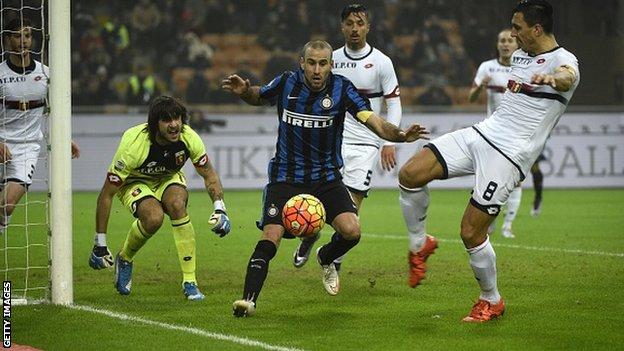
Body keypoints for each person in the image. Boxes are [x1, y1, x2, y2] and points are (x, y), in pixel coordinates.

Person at [398, 0, 579, 322]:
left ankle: (491, 299)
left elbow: (567, 77)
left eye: (518, 27)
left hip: (510, 155)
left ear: (537, 29)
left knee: (471, 232)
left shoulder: (563, 61)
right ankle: (420, 243)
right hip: (483, 133)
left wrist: (553, 79)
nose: (513, 33)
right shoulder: (522, 54)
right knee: (411, 173)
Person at [221, 40, 428, 317]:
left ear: (331, 65)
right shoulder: (287, 83)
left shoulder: (342, 88)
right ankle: (248, 300)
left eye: (323, 63)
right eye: (311, 63)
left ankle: (325, 256)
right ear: (302, 63)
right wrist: (245, 91)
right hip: (285, 177)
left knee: (352, 231)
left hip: (326, 179)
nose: (317, 70)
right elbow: (258, 95)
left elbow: (373, 121)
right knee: (271, 235)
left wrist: (400, 136)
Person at [292, 4, 402, 272]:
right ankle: (310, 235)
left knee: (351, 206)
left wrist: (389, 141)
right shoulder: (330, 60)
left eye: (360, 23)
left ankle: (334, 256)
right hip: (330, 140)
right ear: (342, 27)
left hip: (366, 143)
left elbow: (394, 104)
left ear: (368, 26)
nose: (355, 28)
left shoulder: (382, 62)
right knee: (313, 196)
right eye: (350, 23)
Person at [88, 95, 231, 300]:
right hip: (134, 182)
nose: (174, 125)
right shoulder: (133, 145)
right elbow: (106, 194)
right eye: (167, 120)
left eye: (177, 119)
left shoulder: (189, 138)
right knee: (154, 218)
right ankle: (125, 257)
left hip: (168, 177)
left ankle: (190, 281)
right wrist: (99, 242)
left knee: (177, 204)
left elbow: (209, 174)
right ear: (155, 124)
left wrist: (220, 208)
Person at [0, 18, 80, 233]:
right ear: (8, 39)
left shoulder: (46, 74)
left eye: (27, 35)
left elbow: (53, 111)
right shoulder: (0, 74)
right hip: (0, 142)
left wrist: (65, 137)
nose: (23, 41)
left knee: (6, 204)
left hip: (27, 147)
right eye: (17, 36)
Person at [468, 28, 521, 238]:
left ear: (516, 44)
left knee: (516, 179)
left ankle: (508, 226)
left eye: (509, 40)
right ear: (497, 44)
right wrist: (481, 87)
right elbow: (471, 98)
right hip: (491, 131)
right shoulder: (487, 67)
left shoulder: (521, 68)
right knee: (488, 177)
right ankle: (487, 221)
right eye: (502, 41)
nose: (506, 44)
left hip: (516, 131)